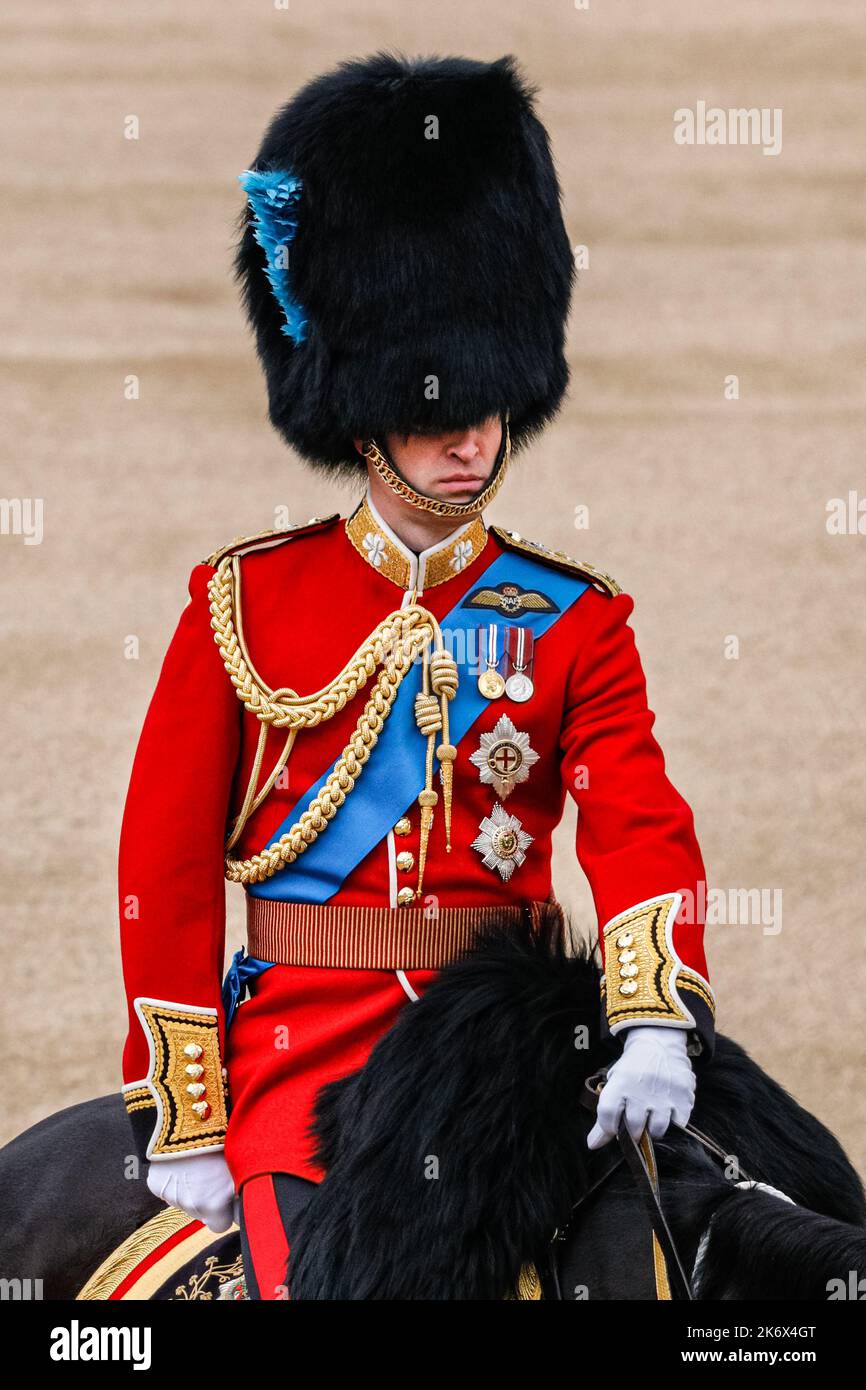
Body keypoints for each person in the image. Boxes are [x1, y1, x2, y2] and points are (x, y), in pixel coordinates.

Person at [118, 52, 714, 1301]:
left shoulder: (575, 618)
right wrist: (182, 1108)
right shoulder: (242, 602)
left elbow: (638, 824)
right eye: (437, 403)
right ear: (359, 403)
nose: (471, 431)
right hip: (309, 1057)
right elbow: (163, 870)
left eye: (492, 402)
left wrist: (655, 1014)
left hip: (515, 1048)